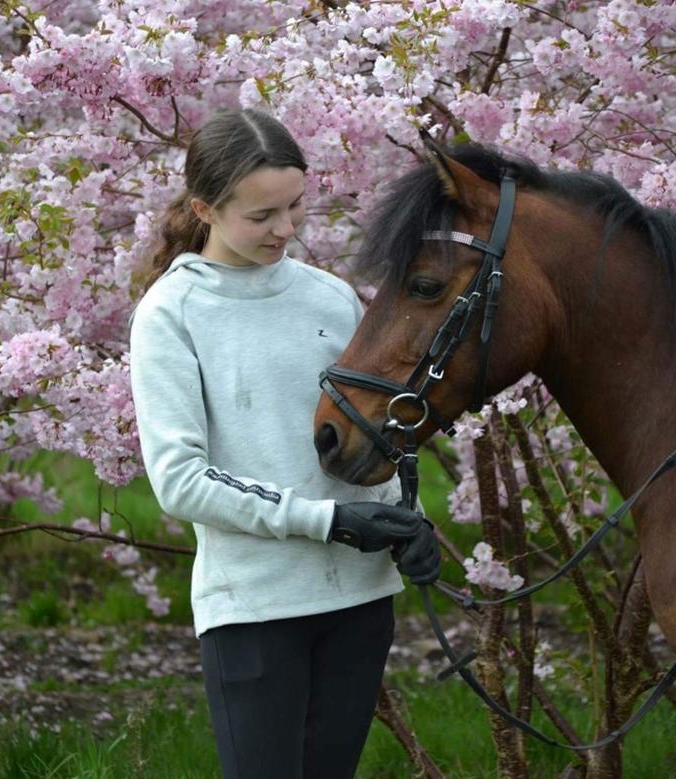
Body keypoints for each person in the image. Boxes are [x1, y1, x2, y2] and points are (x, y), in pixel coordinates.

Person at [128, 107, 441, 779]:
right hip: (254, 607)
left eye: (296, 205)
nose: (286, 229)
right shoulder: (171, 314)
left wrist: (404, 516)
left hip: (358, 601)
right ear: (205, 208)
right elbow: (181, 479)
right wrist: (324, 520)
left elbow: (371, 434)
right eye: (262, 215)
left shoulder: (329, 297)